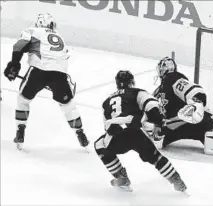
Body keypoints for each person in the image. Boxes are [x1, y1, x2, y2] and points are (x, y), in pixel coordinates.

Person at [3, 13, 90, 150]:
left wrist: (14, 64)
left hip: (38, 71)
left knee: (23, 99)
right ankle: (80, 133)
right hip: (60, 75)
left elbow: (19, 46)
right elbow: (64, 58)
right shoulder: (60, 37)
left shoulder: (33, 30)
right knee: (68, 105)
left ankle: (20, 130)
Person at [94, 70, 187, 193]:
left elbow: (107, 127)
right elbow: (151, 105)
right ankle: (177, 182)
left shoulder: (106, 102)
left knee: (99, 145)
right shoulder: (137, 92)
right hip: (135, 133)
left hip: (116, 136)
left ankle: (121, 177)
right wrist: (159, 121)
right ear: (132, 82)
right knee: (155, 158)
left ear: (117, 83)